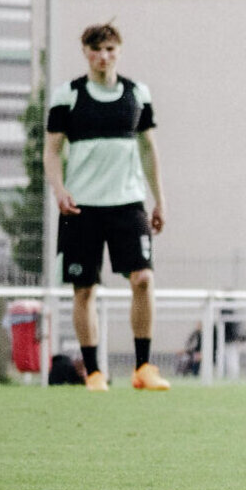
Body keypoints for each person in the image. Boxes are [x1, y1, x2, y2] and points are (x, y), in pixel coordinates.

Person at [48, 22, 170, 392]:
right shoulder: (68, 95)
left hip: (128, 204)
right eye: (96, 50)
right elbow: (51, 151)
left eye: (110, 50)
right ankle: (94, 372)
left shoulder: (137, 93)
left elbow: (148, 149)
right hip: (82, 207)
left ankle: (143, 367)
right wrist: (59, 190)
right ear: (85, 52)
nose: (103, 56)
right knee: (84, 290)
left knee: (143, 279)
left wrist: (159, 199)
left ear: (119, 51)